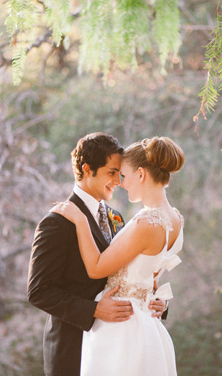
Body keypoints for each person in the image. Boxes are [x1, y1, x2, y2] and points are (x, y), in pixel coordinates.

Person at [27, 133, 167, 376]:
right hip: (73, 351)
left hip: (116, 351)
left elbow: (127, 273)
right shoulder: (56, 222)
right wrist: (93, 310)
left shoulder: (116, 218)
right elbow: (39, 292)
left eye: (120, 173)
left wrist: (156, 301)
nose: (118, 181)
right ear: (87, 169)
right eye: (112, 172)